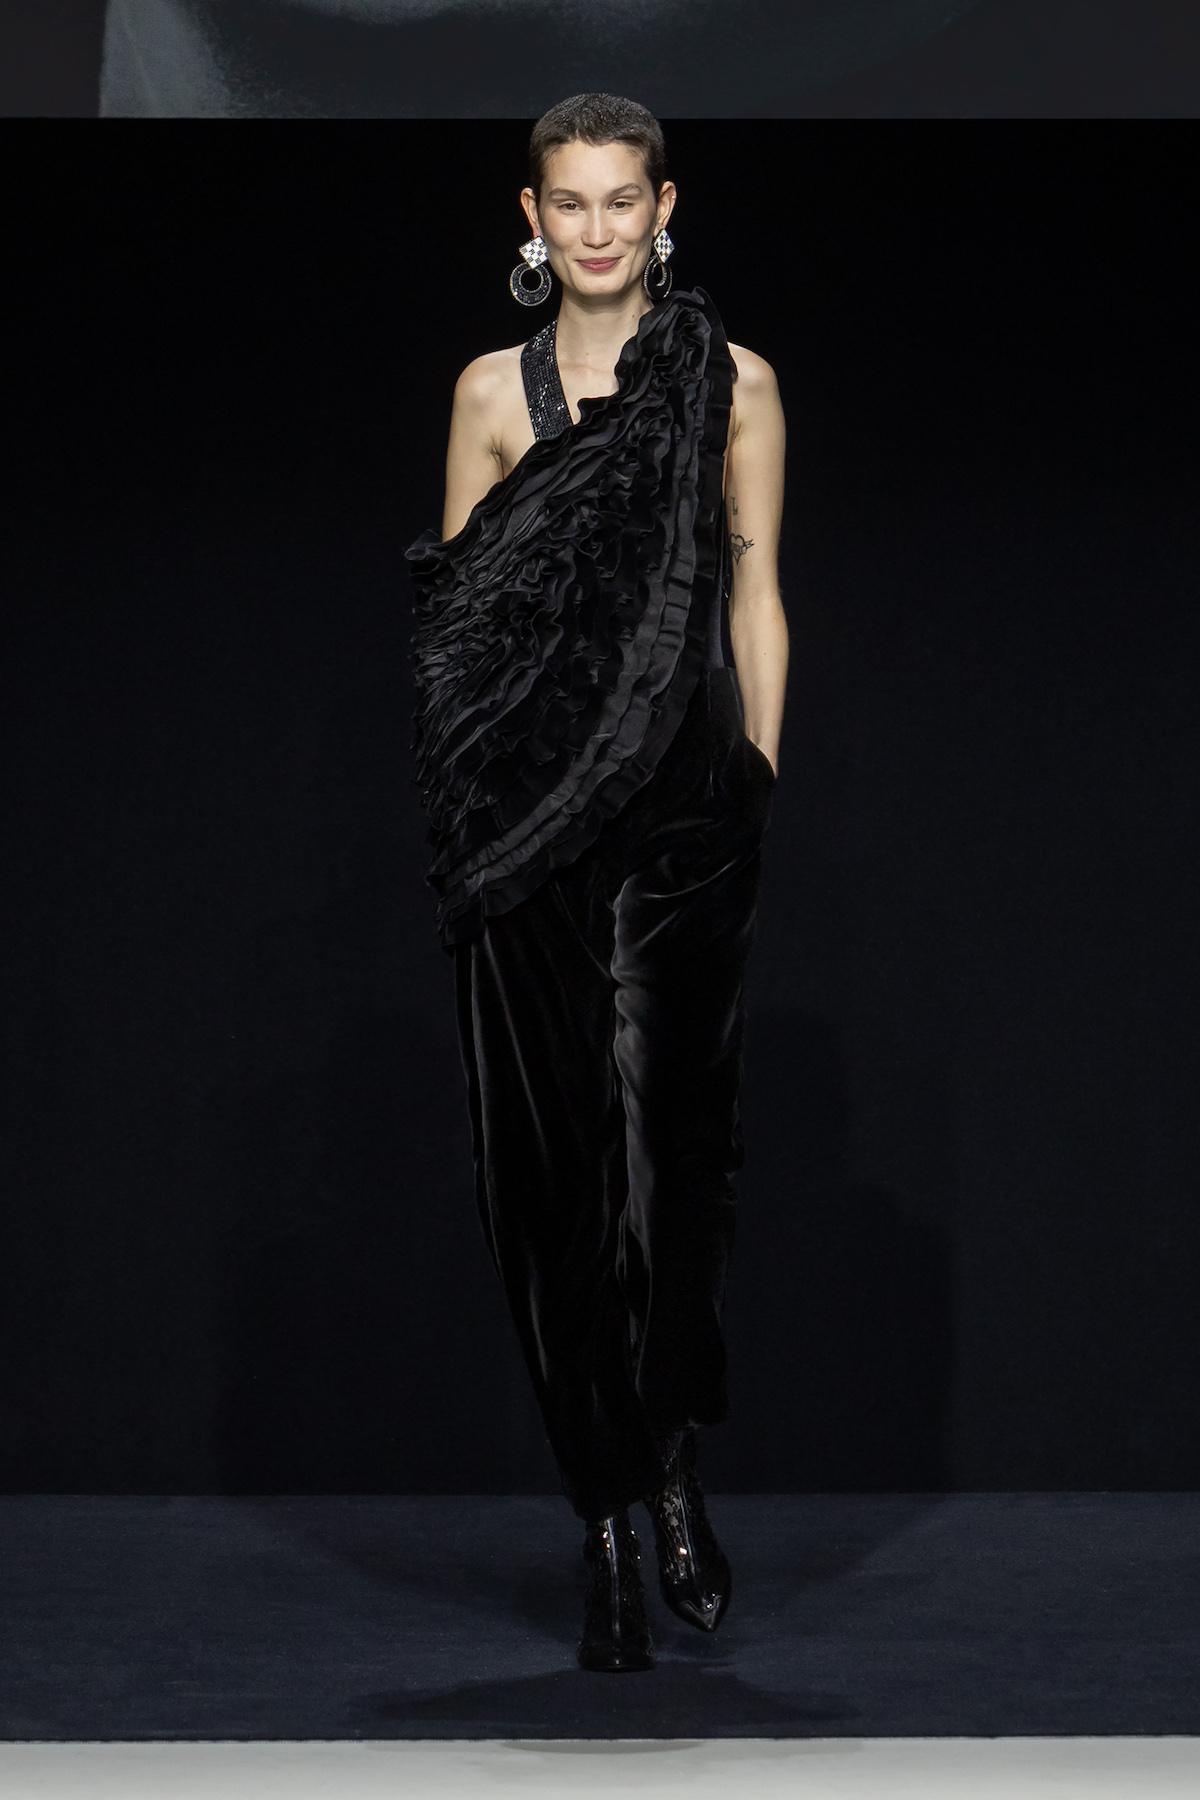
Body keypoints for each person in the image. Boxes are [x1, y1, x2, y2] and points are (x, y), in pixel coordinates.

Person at [406, 93, 788, 1674]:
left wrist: (756, 772)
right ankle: (611, 1516)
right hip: (523, 823)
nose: (597, 229)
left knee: (665, 1155)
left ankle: (667, 1453)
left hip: (685, 809)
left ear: (663, 206)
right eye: (569, 202)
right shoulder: (489, 393)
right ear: (532, 215)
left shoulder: (732, 382)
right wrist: (470, 816)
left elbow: (756, 586)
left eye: (622, 199)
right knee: (546, 1172)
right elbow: (457, 632)